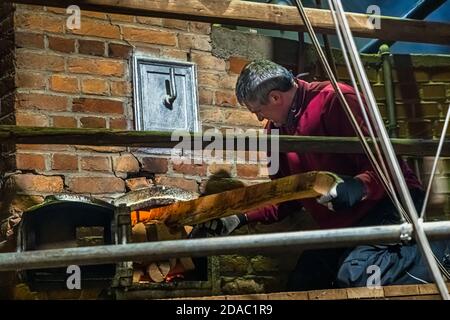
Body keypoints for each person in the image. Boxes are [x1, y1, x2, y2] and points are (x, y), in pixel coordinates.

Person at [193, 59, 450, 291]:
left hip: (389, 209)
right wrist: (240, 217)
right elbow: (286, 194)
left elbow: (386, 165)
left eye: (257, 110)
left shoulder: (337, 100)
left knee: (356, 275)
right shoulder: (274, 132)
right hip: (345, 227)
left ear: (274, 98)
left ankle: (441, 252)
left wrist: (357, 187)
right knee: (304, 282)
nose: (259, 118)